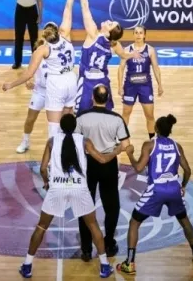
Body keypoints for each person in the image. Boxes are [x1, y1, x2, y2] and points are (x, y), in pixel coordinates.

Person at [20, 113, 117, 279]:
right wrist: (118, 150)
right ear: (76, 126)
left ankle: (27, 265)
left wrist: (46, 182)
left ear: (60, 127)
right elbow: (102, 159)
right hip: (79, 188)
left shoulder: (52, 141)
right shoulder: (85, 141)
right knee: (93, 226)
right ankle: (104, 266)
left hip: (57, 188)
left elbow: (43, 168)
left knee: (41, 227)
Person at [117, 114, 193, 274]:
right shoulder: (177, 146)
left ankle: (129, 263)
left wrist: (129, 154)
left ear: (156, 129)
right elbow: (188, 170)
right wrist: (183, 186)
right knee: (184, 221)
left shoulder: (149, 145)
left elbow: (138, 168)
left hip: (156, 189)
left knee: (134, 222)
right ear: (170, 130)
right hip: (174, 188)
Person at [3, 0, 78, 138]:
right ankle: (69, 148)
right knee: (68, 122)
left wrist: (11, 84)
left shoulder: (42, 50)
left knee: (54, 128)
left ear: (44, 35)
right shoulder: (66, 36)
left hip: (56, 83)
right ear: (58, 31)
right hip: (72, 79)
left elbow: (28, 74)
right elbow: (68, 7)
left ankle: (55, 153)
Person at [76, 84, 131, 261]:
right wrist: (115, 151)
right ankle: (108, 243)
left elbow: (75, 142)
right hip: (108, 164)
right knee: (112, 206)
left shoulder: (81, 117)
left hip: (88, 164)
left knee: (85, 206)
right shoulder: (116, 119)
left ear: (92, 97)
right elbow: (126, 145)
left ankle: (86, 248)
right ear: (108, 99)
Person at [75, 0, 139, 113]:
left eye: (110, 24)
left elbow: (85, 7)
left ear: (108, 33)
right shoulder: (114, 44)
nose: (108, 21)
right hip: (102, 81)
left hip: (87, 81)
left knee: (81, 116)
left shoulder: (93, 34)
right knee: (104, 114)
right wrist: (132, 54)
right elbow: (123, 55)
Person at [15, 22, 54, 154]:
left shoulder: (59, 52)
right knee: (30, 119)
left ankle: (55, 146)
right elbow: (30, 71)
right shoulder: (38, 52)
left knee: (53, 123)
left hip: (54, 92)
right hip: (39, 91)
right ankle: (25, 141)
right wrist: (29, 82)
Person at [118, 26, 163, 139]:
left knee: (149, 115)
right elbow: (121, 68)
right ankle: (121, 139)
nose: (138, 35)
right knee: (126, 113)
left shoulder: (150, 50)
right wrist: (120, 86)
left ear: (144, 35)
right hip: (130, 86)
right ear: (133, 35)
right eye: (136, 32)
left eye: (140, 33)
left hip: (145, 86)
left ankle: (152, 140)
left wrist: (160, 85)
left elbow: (156, 68)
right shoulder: (127, 50)